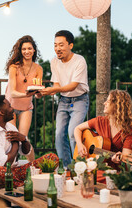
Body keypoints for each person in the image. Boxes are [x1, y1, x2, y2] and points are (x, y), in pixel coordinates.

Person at [0, 95, 59, 188]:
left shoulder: (10, 127)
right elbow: (5, 165)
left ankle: (25, 182)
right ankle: (28, 183)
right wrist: (15, 143)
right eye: (9, 106)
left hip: (15, 172)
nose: (12, 108)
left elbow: (25, 151)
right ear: (1, 112)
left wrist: (24, 140)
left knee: (51, 157)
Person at [41, 30, 89, 167]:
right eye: (55, 45)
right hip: (64, 100)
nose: (57, 49)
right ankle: (67, 168)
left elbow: (73, 85)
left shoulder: (79, 60)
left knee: (74, 133)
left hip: (79, 99)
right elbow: (57, 84)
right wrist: (45, 92)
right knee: (59, 135)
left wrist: (55, 89)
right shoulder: (54, 62)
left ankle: (80, 168)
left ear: (70, 45)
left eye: (61, 45)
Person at [74, 90, 132, 172]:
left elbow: (126, 158)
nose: (104, 103)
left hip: (114, 170)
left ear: (117, 105)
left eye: (108, 101)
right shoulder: (100, 121)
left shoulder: (129, 130)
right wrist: (80, 145)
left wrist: (118, 159)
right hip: (97, 166)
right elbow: (77, 129)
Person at [5, 35, 43, 161]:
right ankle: (11, 168)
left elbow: (37, 92)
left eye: (29, 48)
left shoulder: (38, 69)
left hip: (26, 107)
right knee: (11, 140)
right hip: (10, 106)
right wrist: (26, 94)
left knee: (23, 139)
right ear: (20, 51)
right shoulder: (14, 67)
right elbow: (13, 92)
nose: (27, 51)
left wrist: (39, 93)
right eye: (24, 49)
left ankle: (34, 168)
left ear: (34, 50)